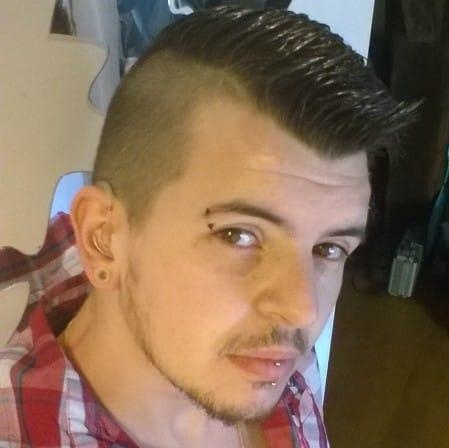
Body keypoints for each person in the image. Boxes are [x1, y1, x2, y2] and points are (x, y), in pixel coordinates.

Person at [0, 6, 416, 448]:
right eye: (239, 235)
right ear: (104, 242)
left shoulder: (255, 341)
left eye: (329, 248)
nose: (303, 309)